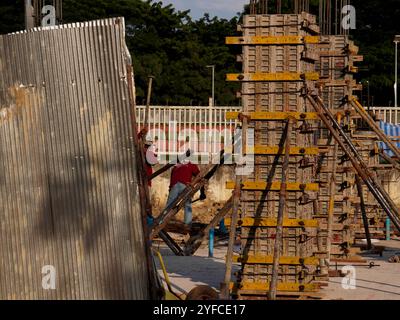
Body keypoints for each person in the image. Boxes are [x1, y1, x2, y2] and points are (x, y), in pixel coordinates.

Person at [165, 152, 200, 227]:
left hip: (175, 185)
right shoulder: (191, 164)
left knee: (169, 204)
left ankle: (163, 221)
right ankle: (187, 223)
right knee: (187, 205)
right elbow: (199, 175)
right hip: (185, 185)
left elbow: (172, 178)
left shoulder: (176, 165)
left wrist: (170, 188)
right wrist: (193, 184)